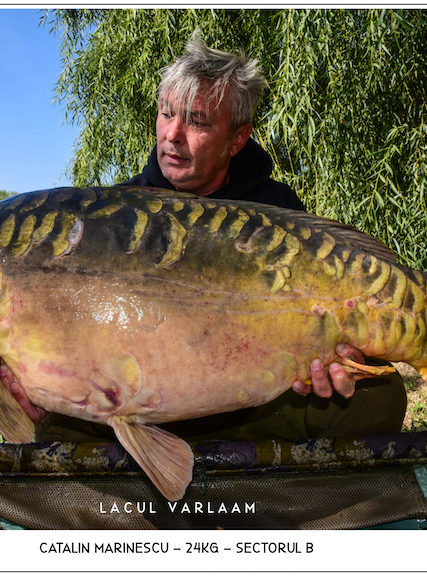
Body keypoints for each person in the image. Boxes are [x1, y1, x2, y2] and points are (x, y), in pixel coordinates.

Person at [36, 33, 407, 443]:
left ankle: (271, 495)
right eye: (166, 113)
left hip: (248, 401)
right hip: (140, 401)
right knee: (54, 425)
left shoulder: (276, 208)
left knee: (379, 397)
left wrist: (336, 354)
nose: (172, 134)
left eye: (196, 121)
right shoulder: (119, 213)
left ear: (238, 139)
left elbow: (323, 311)